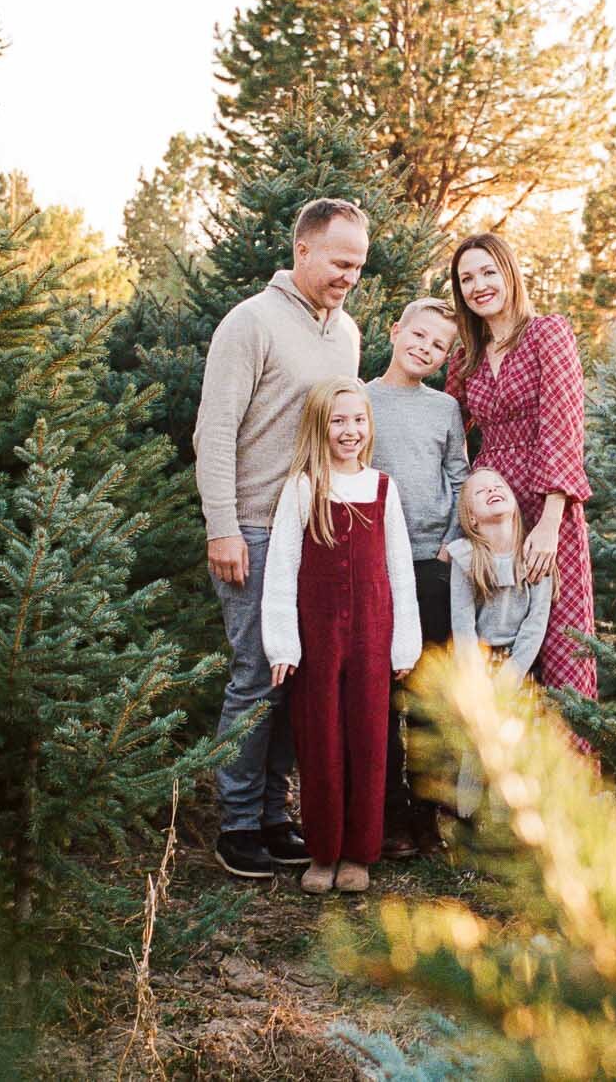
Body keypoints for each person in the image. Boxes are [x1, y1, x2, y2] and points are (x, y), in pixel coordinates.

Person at [195, 198, 368, 880]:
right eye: (339, 261)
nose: (349, 275)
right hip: (255, 528)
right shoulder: (251, 322)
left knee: (297, 679)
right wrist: (223, 528)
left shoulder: (345, 334)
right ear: (303, 250)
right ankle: (235, 824)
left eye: (358, 265)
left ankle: (273, 814)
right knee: (254, 677)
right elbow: (214, 432)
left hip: (315, 529)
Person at [261, 379, 423, 894]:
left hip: (373, 636)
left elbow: (400, 572)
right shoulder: (304, 488)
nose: (350, 430)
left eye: (358, 420)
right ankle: (324, 850)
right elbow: (282, 569)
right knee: (320, 740)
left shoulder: (382, 488)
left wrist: (404, 645)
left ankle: (360, 852)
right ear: (319, 427)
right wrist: (283, 645)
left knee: (370, 740)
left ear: (369, 425)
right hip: (319, 636)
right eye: (338, 421)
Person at [444, 232, 598, 704]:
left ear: (509, 273)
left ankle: (568, 771)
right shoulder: (465, 357)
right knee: (498, 639)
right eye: (467, 278)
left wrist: (551, 522)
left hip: (547, 501)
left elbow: (563, 425)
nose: (479, 285)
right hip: (492, 511)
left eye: (488, 271)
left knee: (562, 640)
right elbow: (447, 433)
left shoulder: (547, 334)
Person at [364, 298, 467, 857]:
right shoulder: (360, 397)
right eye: (418, 336)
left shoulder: (444, 408)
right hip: (376, 563)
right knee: (380, 694)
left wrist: (452, 542)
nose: (424, 349)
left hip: (432, 563)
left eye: (438, 346)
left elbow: (460, 476)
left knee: (426, 693)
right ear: (396, 329)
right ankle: (388, 817)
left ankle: (430, 814)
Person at [445, 466, 555, 816]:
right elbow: (462, 624)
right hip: (480, 660)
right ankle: (466, 820)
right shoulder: (465, 557)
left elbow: (535, 624)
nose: (492, 490)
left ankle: (506, 823)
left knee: (516, 742)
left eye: (498, 485)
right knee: (478, 742)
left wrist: (513, 673)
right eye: (481, 491)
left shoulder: (535, 555)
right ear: (472, 518)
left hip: (520, 665)